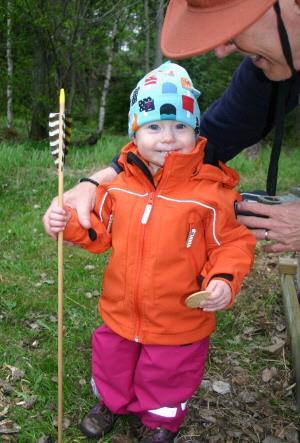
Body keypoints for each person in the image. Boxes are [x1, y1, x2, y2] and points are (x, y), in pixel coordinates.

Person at [47, 62, 255, 442]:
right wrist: (69, 225)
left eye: (180, 126)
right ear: (135, 131)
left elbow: (234, 243)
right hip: (122, 309)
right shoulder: (121, 187)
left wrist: (223, 279)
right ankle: (111, 402)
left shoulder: (212, 194)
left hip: (179, 317)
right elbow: (99, 233)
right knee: (113, 361)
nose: (168, 137)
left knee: (169, 372)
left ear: (196, 132)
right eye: (154, 126)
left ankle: (160, 419)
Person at [43, 0, 300, 253]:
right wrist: (93, 182)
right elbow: (213, 137)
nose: (221, 50)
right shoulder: (262, 71)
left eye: (237, 19)